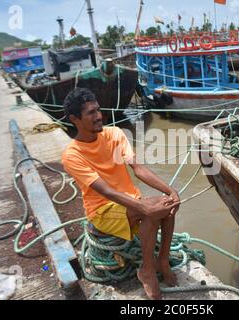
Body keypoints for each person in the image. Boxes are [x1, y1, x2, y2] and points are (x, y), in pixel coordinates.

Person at [61, 88, 180, 300]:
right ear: (74, 119)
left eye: (98, 110)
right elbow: (104, 191)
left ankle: (162, 261)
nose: (99, 116)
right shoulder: (72, 155)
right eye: (90, 113)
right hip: (102, 210)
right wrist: (144, 207)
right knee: (151, 212)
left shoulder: (115, 134)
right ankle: (147, 271)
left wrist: (170, 190)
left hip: (128, 202)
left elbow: (138, 168)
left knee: (167, 205)